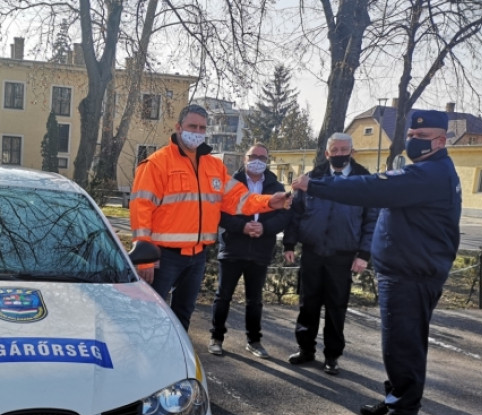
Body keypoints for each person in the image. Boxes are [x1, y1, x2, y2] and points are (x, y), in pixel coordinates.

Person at [291, 110, 461, 415]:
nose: (413, 141)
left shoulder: (428, 175)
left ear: (441, 141)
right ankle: (395, 398)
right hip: (408, 269)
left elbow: (368, 189)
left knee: (404, 344)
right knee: (399, 342)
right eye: (411, 135)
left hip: (412, 273)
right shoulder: (430, 171)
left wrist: (316, 185)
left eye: (422, 138)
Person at [130, 104, 291, 330]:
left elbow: (238, 199)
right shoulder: (157, 163)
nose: (197, 132)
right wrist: (144, 257)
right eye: (192, 126)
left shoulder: (214, 165)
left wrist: (268, 201)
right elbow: (141, 210)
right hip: (164, 257)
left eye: (202, 128)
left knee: (183, 314)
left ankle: (179, 360)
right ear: (178, 127)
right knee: (149, 315)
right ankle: (145, 362)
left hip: (197, 257)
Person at [282, 133, 377, 375]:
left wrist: (364, 254)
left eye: (344, 149)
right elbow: (297, 212)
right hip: (313, 252)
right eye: (334, 150)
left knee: (336, 308)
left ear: (352, 152)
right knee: (308, 304)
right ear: (327, 153)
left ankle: (332, 356)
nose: (339, 154)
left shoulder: (363, 180)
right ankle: (305, 350)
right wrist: (289, 244)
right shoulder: (312, 178)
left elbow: (372, 220)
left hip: (343, 255)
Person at [208, 143, 292, 358]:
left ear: (267, 161)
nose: (257, 160)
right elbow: (220, 213)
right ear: (244, 159)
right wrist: (242, 226)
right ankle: (216, 338)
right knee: (223, 296)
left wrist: (264, 228)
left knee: (255, 300)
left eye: (262, 157)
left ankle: (254, 341)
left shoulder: (276, 186)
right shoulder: (231, 183)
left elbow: (284, 216)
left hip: (260, 250)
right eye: (253, 156)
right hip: (233, 248)